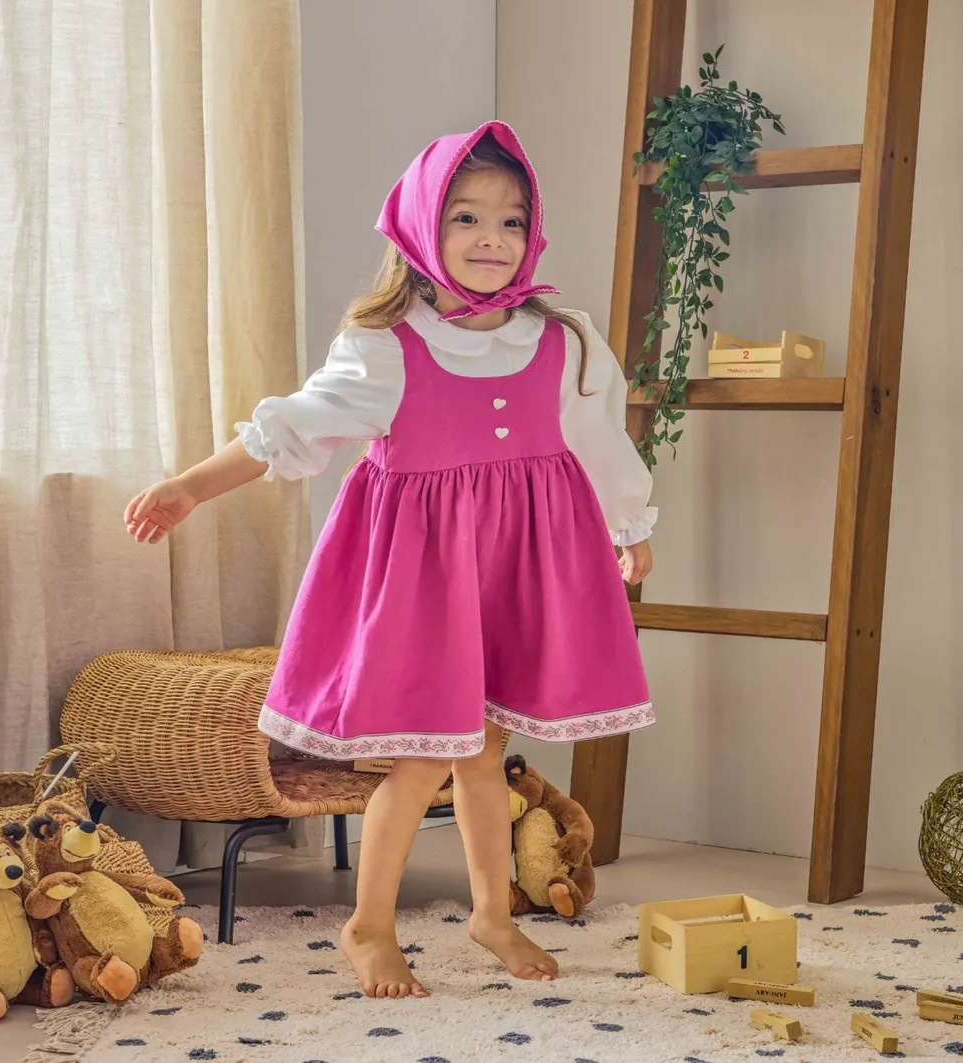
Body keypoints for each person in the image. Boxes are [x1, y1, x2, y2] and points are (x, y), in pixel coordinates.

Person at [124, 121, 656, 1000]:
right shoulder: (387, 346)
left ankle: (491, 913)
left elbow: (599, 440)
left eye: (512, 221)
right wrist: (190, 485)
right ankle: (369, 924)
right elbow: (291, 429)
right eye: (466, 218)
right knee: (421, 757)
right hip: (427, 584)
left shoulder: (561, 341)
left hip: (515, 572)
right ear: (419, 229)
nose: (492, 239)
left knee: (487, 747)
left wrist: (629, 522)